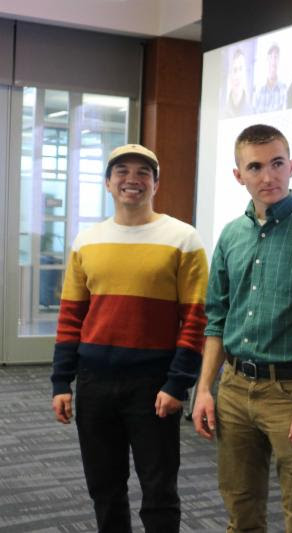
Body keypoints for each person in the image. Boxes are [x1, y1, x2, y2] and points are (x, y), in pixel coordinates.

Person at [192, 124, 292, 533]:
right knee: (240, 510)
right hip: (233, 389)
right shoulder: (231, 235)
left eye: (277, 164)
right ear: (238, 175)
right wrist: (205, 389)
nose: (268, 176)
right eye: (255, 167)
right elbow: (217, 319)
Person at [51, 144, 208, 532]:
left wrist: (178, 383)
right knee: (104, 488)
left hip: (154, 386)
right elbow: (71, 317)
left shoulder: (183, 239)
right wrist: (61, 382)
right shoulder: (86, 241)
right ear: (108, 182)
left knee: (159, 491)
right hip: (94, 383)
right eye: (122, 171)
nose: (132, 179)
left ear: (156, 184)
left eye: (143, 172)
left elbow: (195, 319)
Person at [253, 42, 287, 113]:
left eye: (276, 57)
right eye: (271, 57)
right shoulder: (258, 91)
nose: (273, 61)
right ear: (267, 59)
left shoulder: (284, 90)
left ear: (279, 60)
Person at [224, 48, 252, 118]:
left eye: (240, 69)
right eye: (234, 70)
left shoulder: (252, 111)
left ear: (245, 73)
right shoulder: (222, 111)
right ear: (230, 75)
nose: (237, 76)